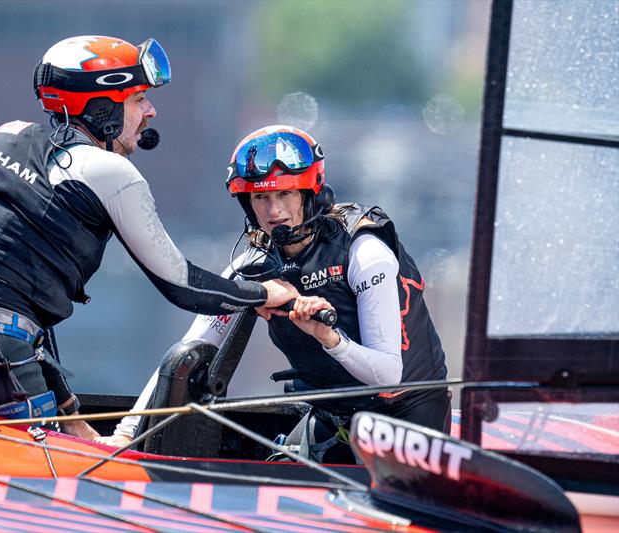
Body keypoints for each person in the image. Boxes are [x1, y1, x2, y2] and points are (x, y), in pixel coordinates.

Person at [0, 37, 297, 439]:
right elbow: (182, 285)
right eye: (139, 99)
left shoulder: (2, 136)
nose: (151, 111)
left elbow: (6, 299)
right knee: (59, 487)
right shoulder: (109, 171)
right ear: (102, 108)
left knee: (70, 436)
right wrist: (261, 294)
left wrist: (73, 420)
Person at [99, 125, 449, 463]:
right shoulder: (252, 267)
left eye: (285, 193)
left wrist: (329, 338)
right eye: (261, 197)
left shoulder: (364, 252)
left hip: (406, 421)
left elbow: (389, 374)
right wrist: (126, 433)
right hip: (334, 418)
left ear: (308, 194)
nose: (273, 211)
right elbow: (189, 348)